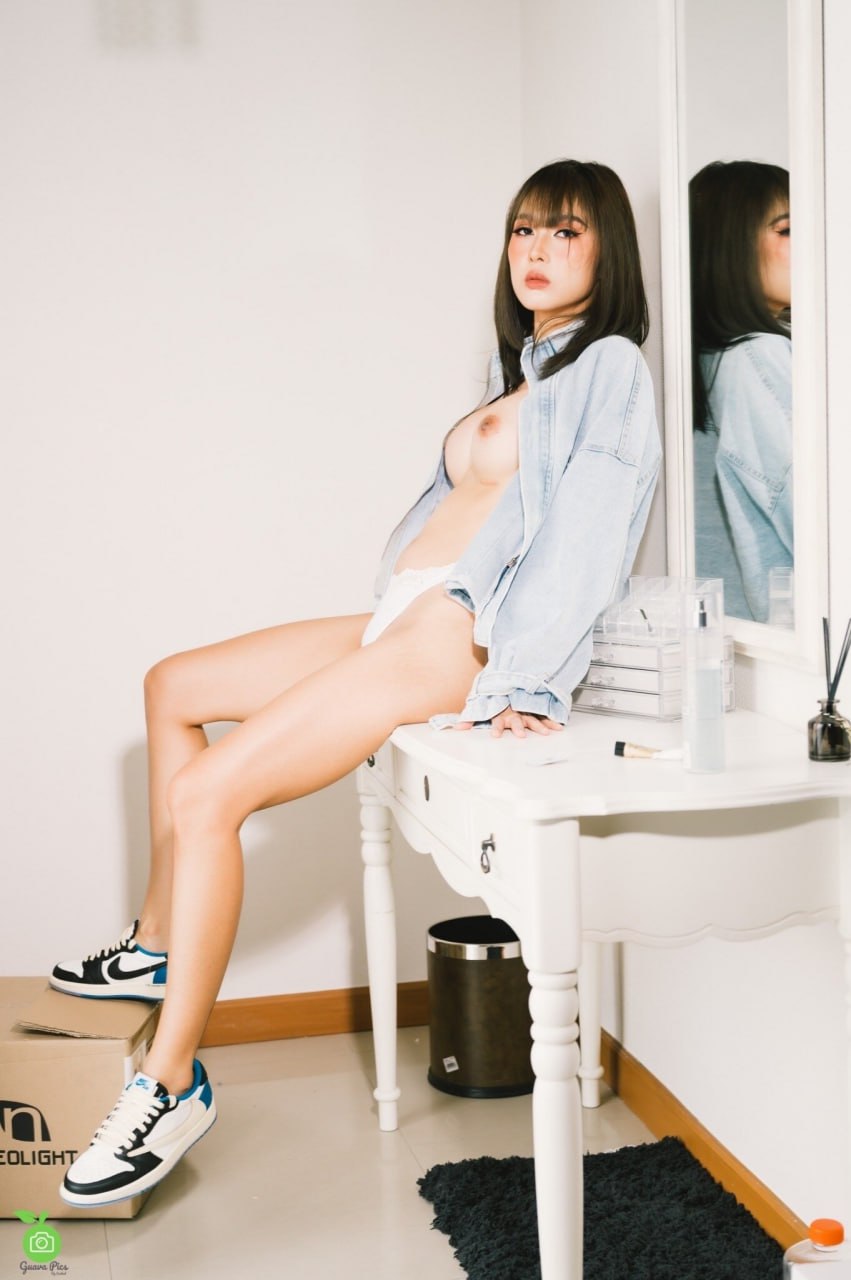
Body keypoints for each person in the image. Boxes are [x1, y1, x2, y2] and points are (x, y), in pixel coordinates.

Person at [53, 159, 661, 1209]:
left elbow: (589, 536)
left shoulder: (608, 368)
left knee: (207, 793)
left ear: (608, 252)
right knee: (171, 684)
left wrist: (526, 683)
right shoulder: (518, 375)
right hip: (404, 613)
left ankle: (171, 1080)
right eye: (523, 228)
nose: (534, 248)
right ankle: (157, 946)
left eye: (565, 231)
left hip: (457, 639)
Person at [690, 160, 792, 623]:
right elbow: (819, 520)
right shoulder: (757, 357)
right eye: (787, 230)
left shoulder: (713, 360)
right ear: (732, 248)